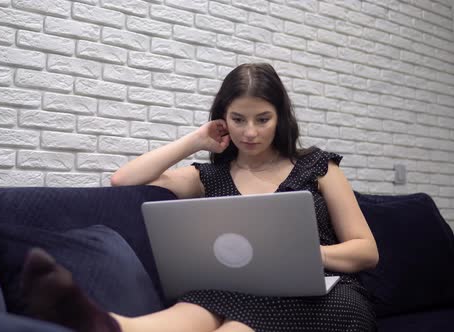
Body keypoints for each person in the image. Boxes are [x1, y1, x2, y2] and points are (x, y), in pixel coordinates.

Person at [20, 63, 379, 332]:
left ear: (281, 118)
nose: (250, 132)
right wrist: (196, 140)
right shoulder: (211, 177)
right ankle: (111, 325)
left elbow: (366, 250)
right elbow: (123, 180)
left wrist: (302, 256)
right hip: (245, 291)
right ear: (223, 118)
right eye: (238, 119)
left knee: (240, 321)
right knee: (206, 301)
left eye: (263, 119)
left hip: (330, 296)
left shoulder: (318, 167)